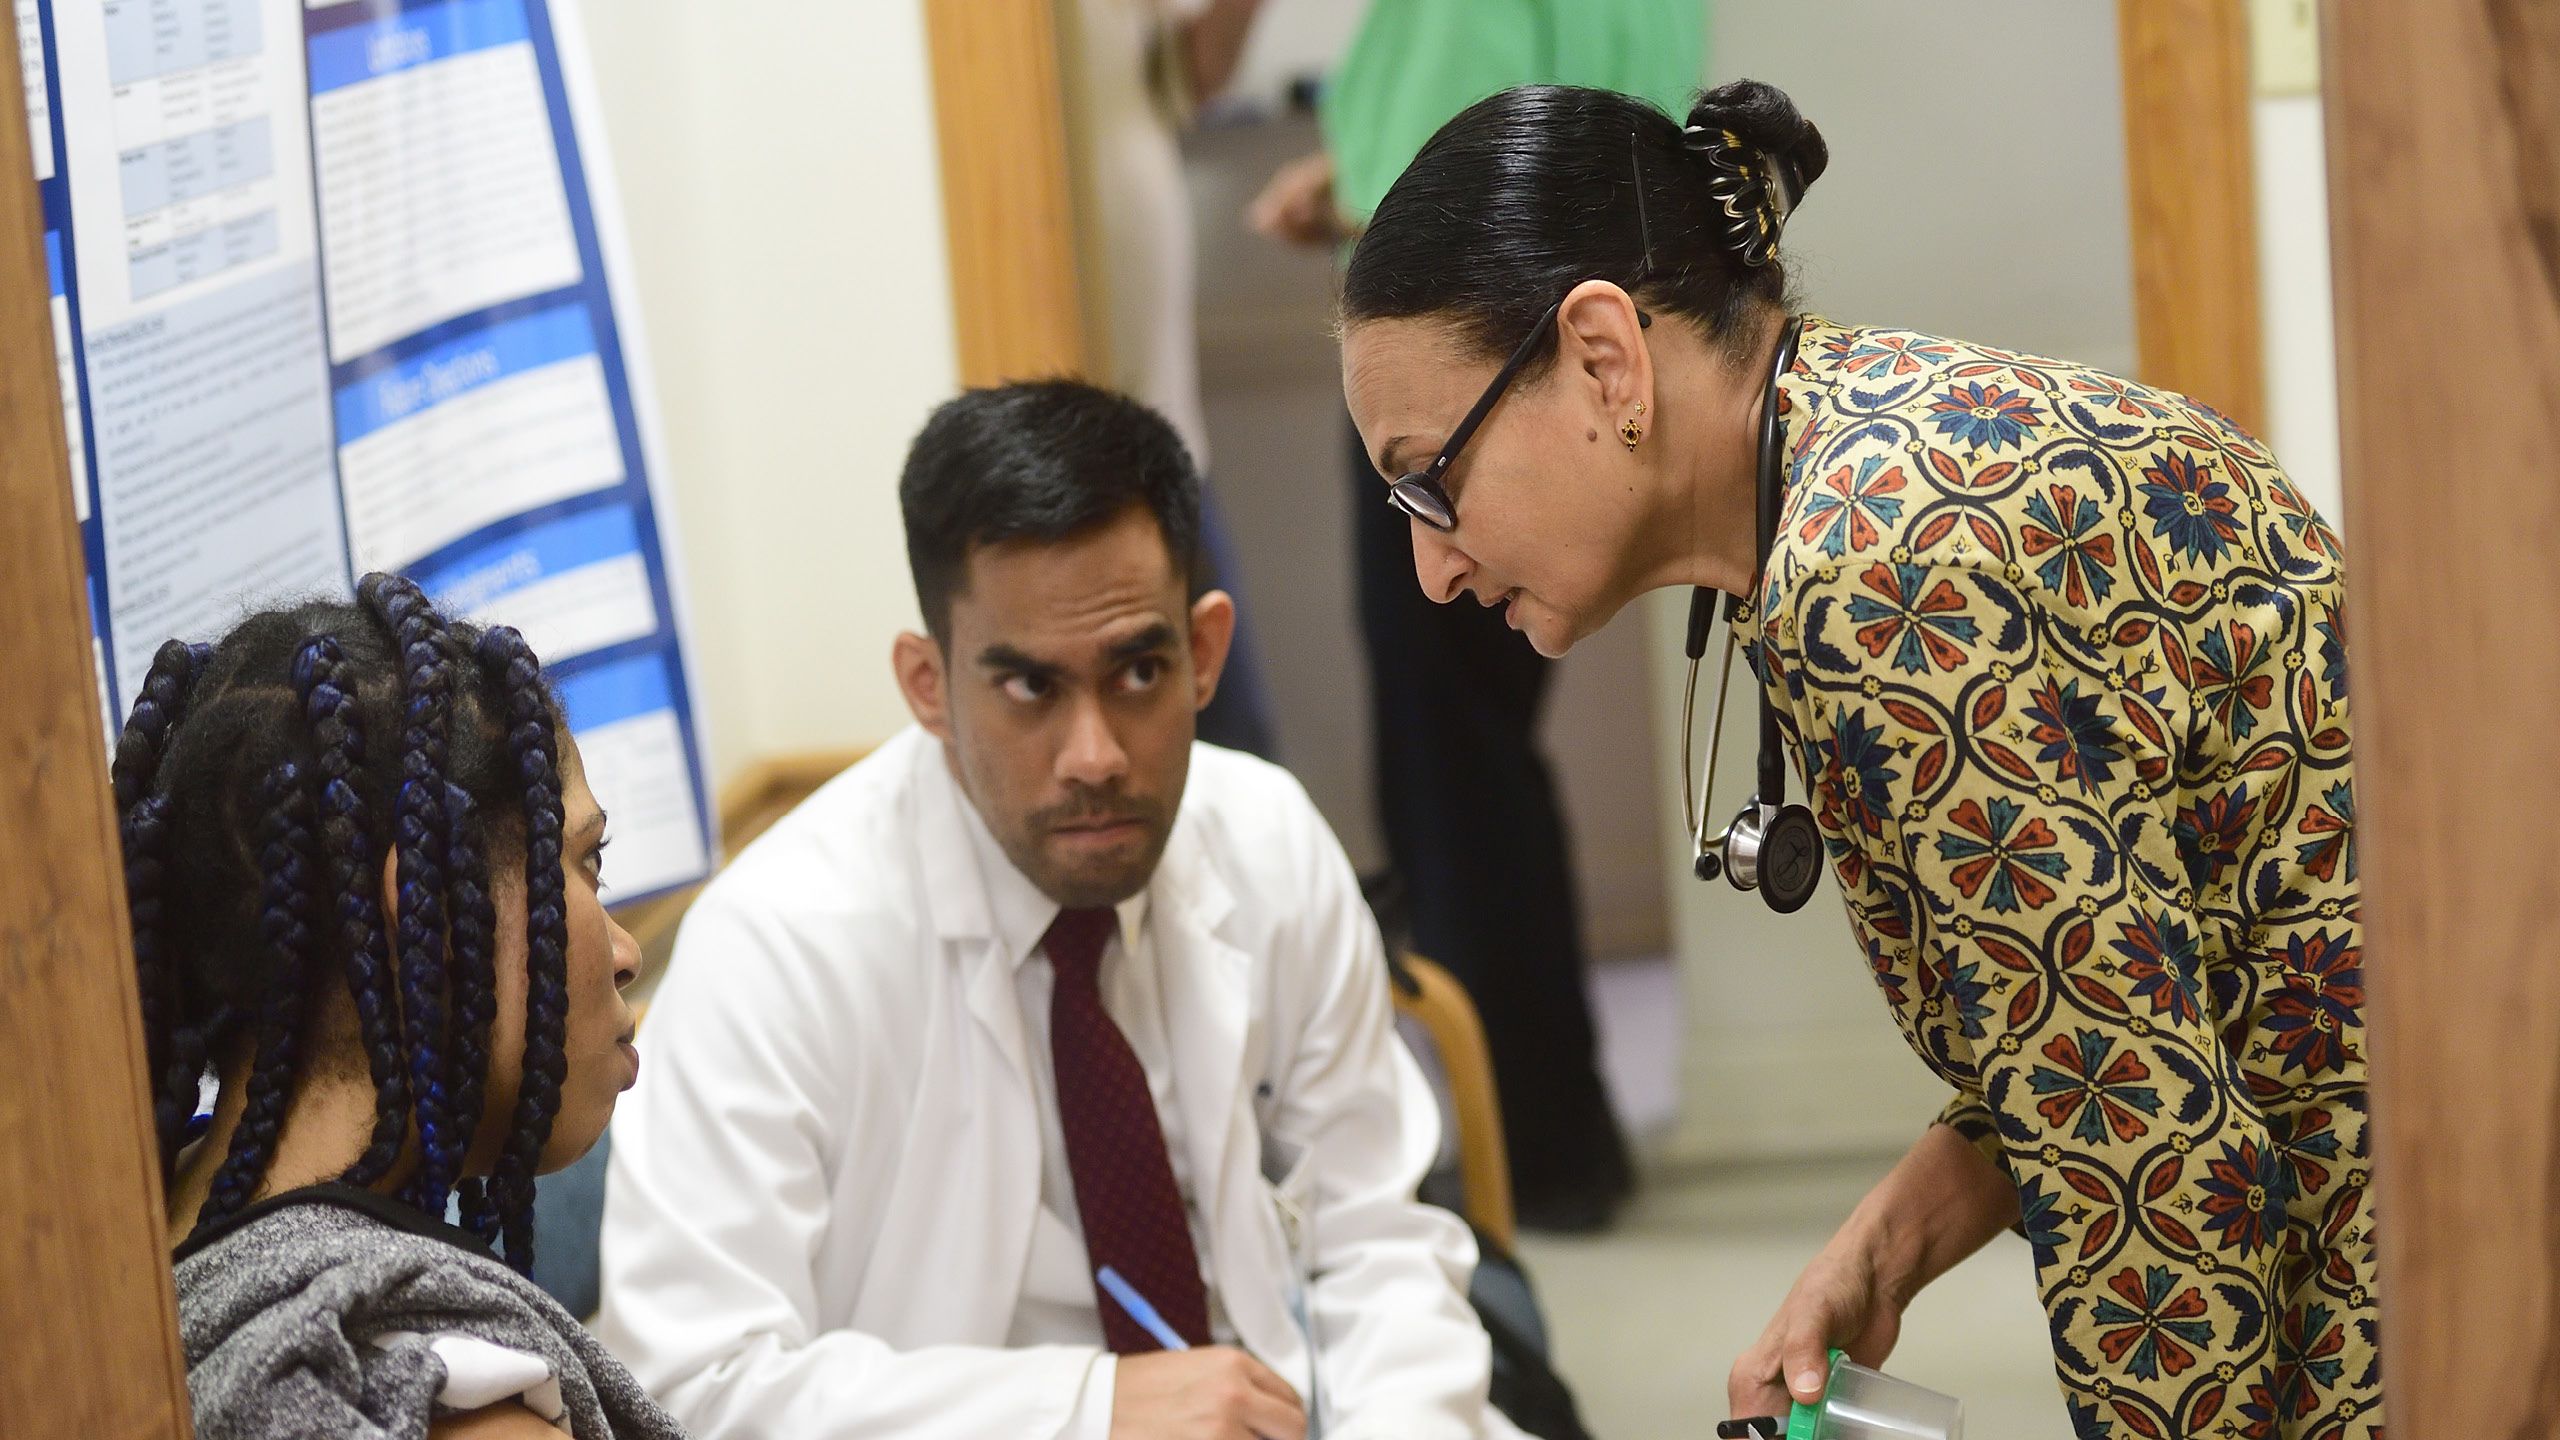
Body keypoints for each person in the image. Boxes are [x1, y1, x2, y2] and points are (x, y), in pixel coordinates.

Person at [1336, 80, 2378, 1440]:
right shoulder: (1867, 454)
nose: (1428, 565)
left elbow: (2150, 1157)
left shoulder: (1869, 572)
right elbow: (2118, 1004)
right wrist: (1884, 1248)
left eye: (1431, 479)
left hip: (2419, 1214)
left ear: (1604, 360)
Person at [595, 381, 1524, 1440]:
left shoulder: (1265, 838)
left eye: (1137, 669)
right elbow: (688, 1384)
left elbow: (1375, 1239)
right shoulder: (777, 943)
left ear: (1205, 652)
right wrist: (1085, 1413)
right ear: (928, 685)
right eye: (1030, 687)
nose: (1096, 756)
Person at [1250, 0, 1707, 1236]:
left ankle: (1531, 1152)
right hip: (1539, 313)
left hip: (1472, 345)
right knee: (1471, 758)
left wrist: (1363, 199)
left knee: (1451, 767)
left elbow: (1478, 170)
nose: (1434, 566)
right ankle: (1551, 1135)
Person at [118, 575, 680, 1439]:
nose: (627, 952)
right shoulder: (449, 1404)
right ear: (437, 914)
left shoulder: (138, 1270)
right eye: (584, 864)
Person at [1059, 0, 1280, 760]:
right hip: (1068, 414)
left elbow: (1191, 77)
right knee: (1200, 737)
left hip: (1159, 400)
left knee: (1225, 738)